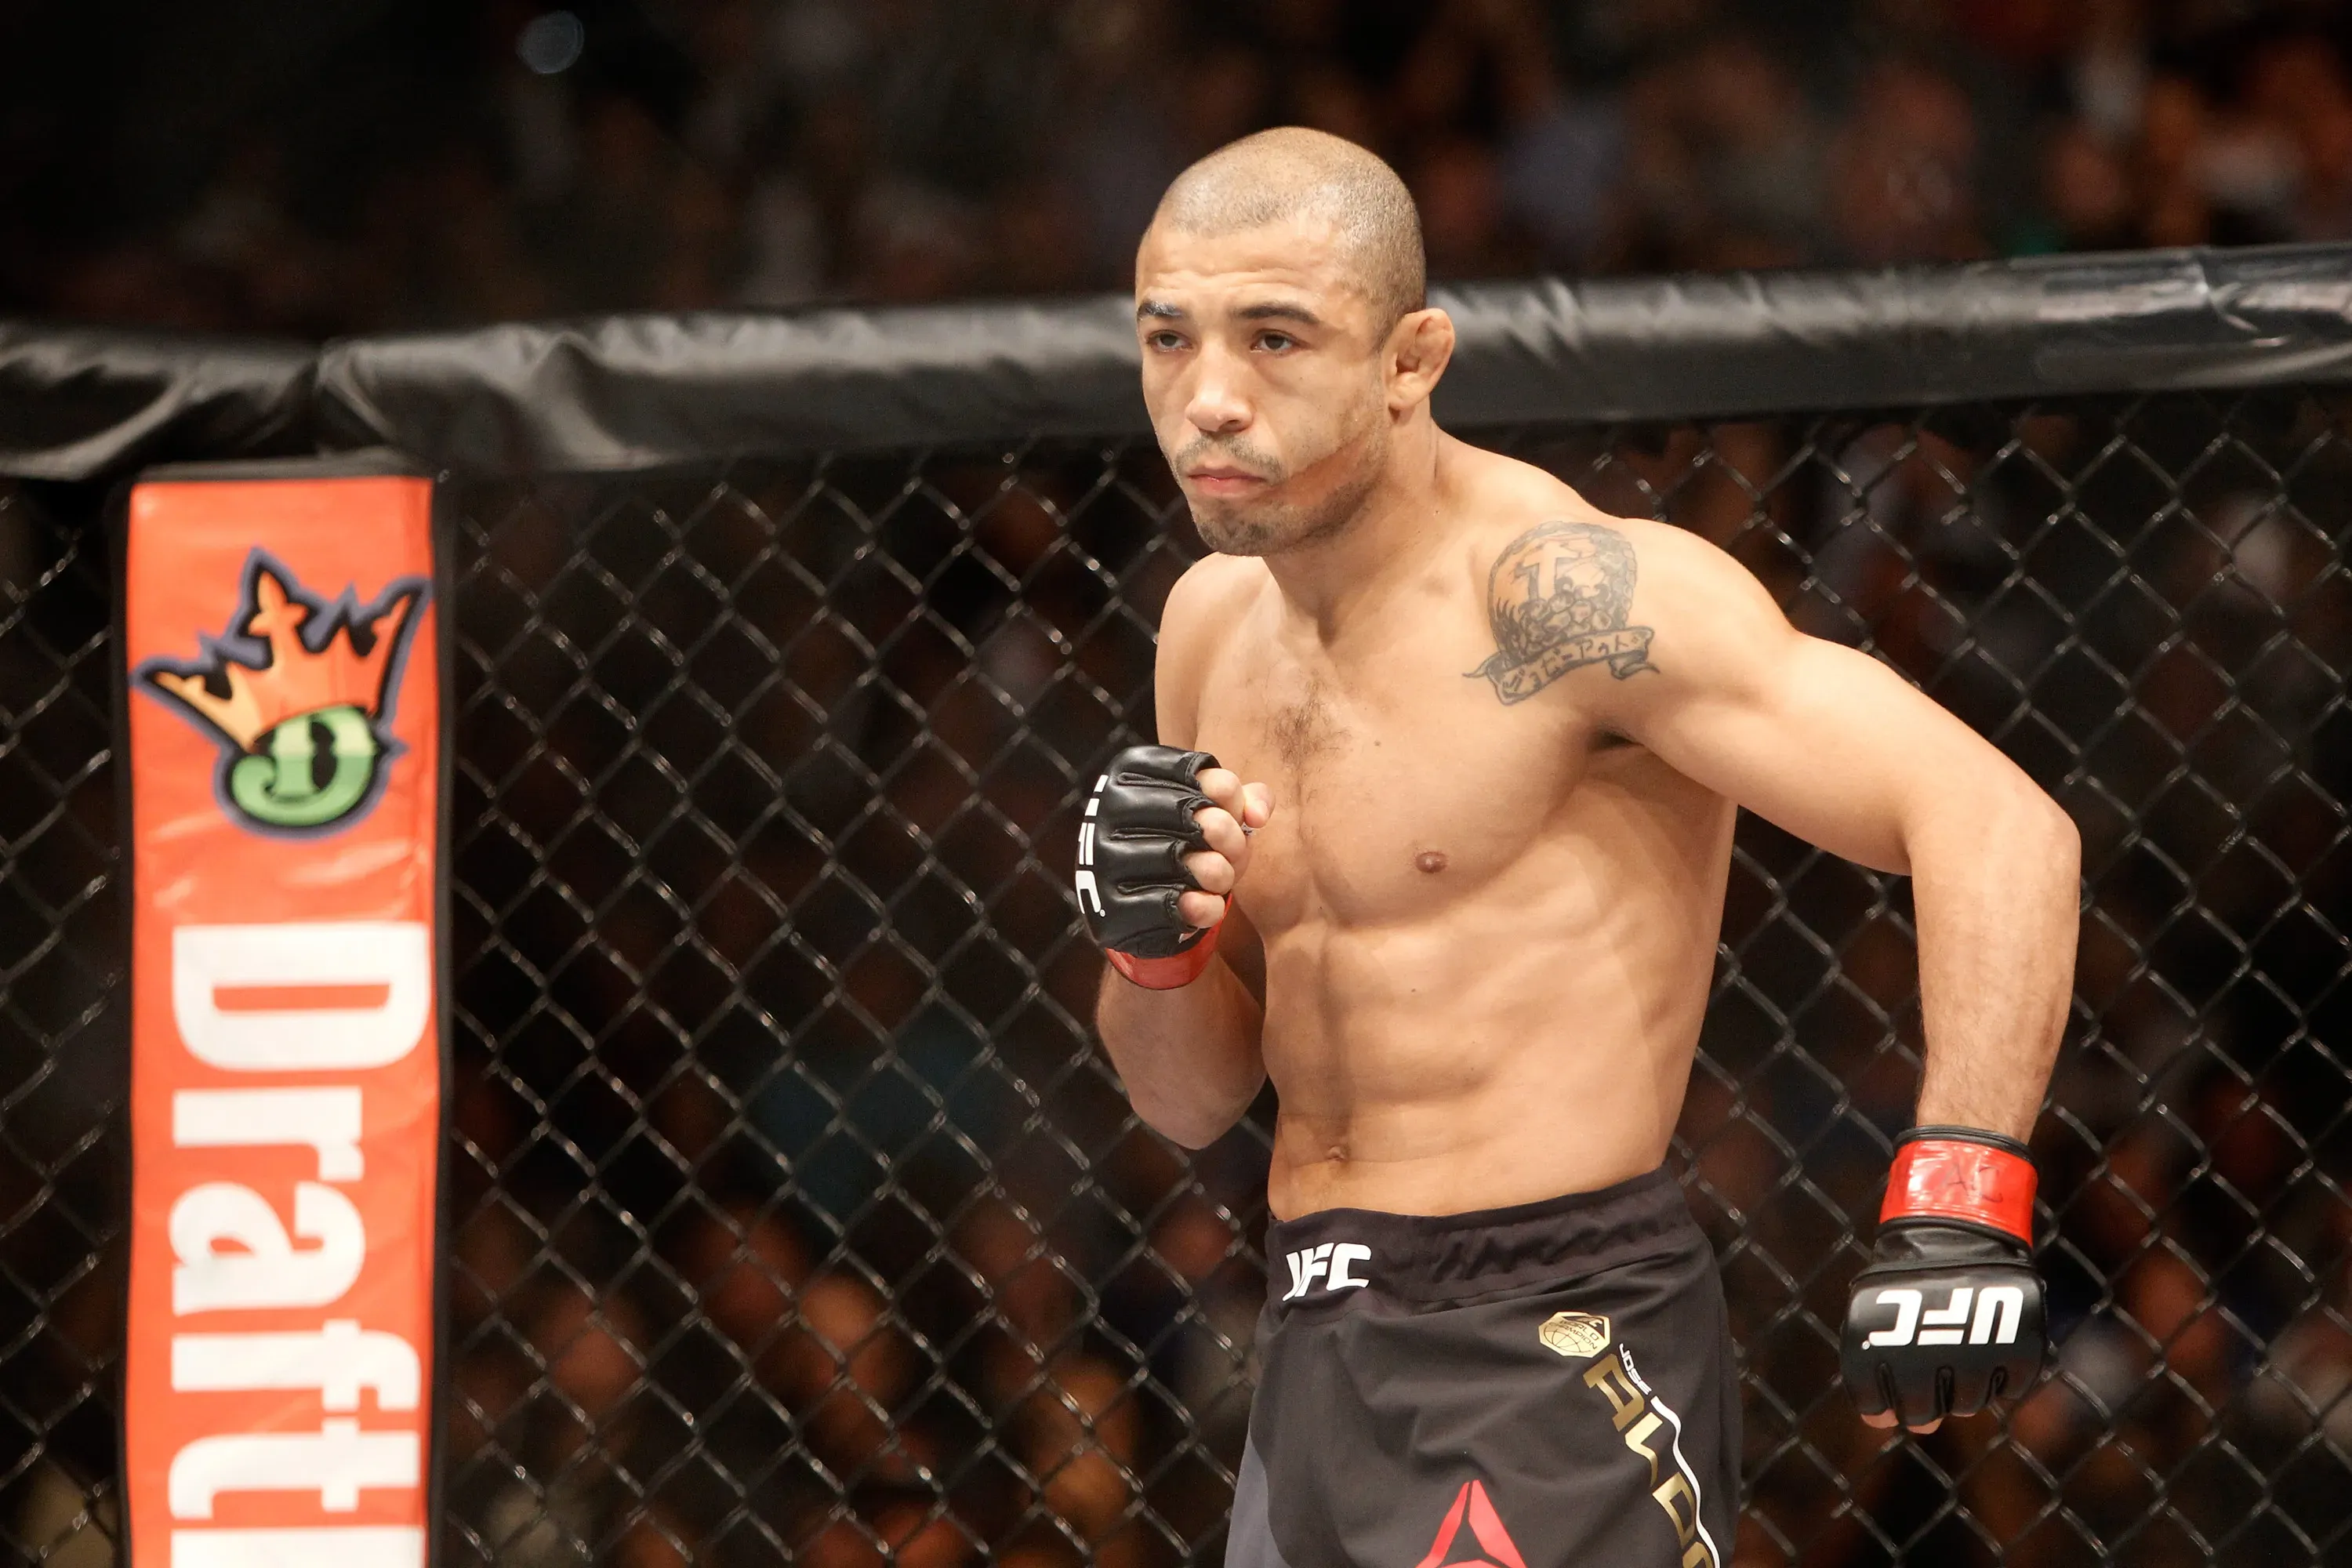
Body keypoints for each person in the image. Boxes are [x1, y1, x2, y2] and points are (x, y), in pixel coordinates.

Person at [1076, 127, 2079, 1568]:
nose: (1210, 400)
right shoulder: (1208, 626)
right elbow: (1194, 1103)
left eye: (1278, 338)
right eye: (1169, 339)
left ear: (1413, 359)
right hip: (1310, 1334)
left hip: (1550, 1331)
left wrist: (1961, 1187)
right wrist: (1147, 953)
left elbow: (1992, 817)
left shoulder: (1570, 604)